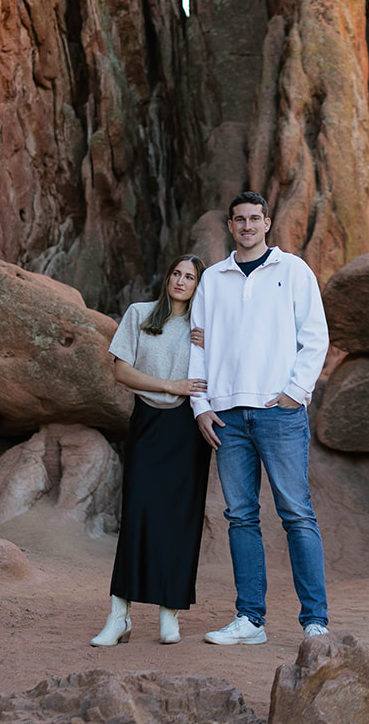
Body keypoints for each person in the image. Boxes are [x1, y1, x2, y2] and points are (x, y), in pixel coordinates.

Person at [189, 191, 330, 644]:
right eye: (239, 220)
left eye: (255, 219)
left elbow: (315, 336)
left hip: (278, 412)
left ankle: (315, 620)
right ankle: (250, 620)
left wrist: (294, 393)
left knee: (296, 514)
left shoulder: (292, 271)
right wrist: (201, 405)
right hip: (227, 414)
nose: (247, 226)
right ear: (230, 226)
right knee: (241, 517)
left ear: (267, 223)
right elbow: (198, 345)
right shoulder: (213, 279)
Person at [91, 255, 212, 646]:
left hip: (187, 428)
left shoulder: (202, 327)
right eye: (176, 273)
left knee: (180, 518)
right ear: (168, 277)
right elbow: (121, 371)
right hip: (147, 422)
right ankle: (119, 616)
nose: (180, 280)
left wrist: (214, 342)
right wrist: (169, 385)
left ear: (198, 286)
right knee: (138, 512)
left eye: (190, 277)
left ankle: (169, 613)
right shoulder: (140, 314)